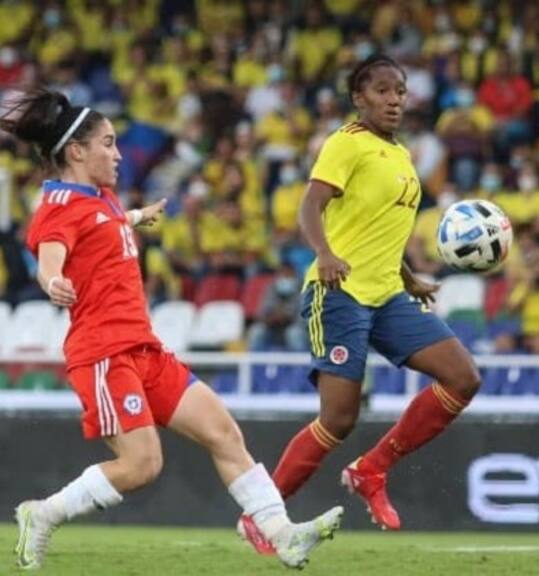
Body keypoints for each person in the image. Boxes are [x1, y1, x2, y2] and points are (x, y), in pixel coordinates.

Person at [2, 90, 342, 571]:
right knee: (142, 465)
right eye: (108, 143)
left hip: (144, 347)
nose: (119, 154)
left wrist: (138, 217)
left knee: (223, 432)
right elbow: (51, 258)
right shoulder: (59, 207)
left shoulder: (101, 197)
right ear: (76, 151)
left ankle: (283, 535)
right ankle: (43, 514)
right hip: (104, 352)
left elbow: (106, 225)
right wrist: (52, 282)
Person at [240, 54, 481, 551]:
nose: (394, 99)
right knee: (340, 418)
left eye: (400, 90)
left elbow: (379, 232)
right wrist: (324, 254)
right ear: (359, 97)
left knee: (462, 377)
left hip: (388, 293)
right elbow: (311, 205)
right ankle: (264, 517)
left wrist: (409, 278)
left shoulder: (402, 156)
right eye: (383, 90)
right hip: (340, 292)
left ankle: (372, 469)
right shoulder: (345, 143)